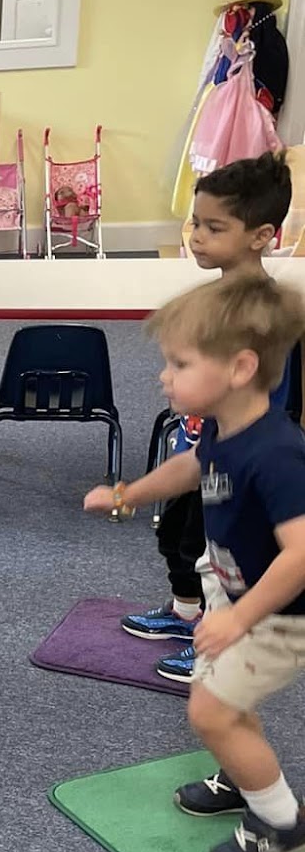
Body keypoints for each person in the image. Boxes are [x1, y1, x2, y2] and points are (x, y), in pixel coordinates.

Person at [84, 265, 305, 852]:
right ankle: (243, 776)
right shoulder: (226, 429)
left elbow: (302, 554)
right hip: (239, 598)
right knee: (223, 701)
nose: (164, 376)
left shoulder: (277, 454)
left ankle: (281, 823)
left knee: (209, 711)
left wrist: (239, 619)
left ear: (240, 368)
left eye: (180, 364)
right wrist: (129, 493)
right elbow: (189, 468)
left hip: (282, 614)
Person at [121, 151, 295, 684]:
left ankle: (219, 643)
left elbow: (275, 402)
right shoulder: (215, 299)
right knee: (178, 536)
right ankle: (185, 615)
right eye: (196, 223)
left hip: (237, 461)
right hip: (202, 443)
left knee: (221, 555)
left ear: (261, 236)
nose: (197, 237)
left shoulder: (263, 314)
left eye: (214, 228)